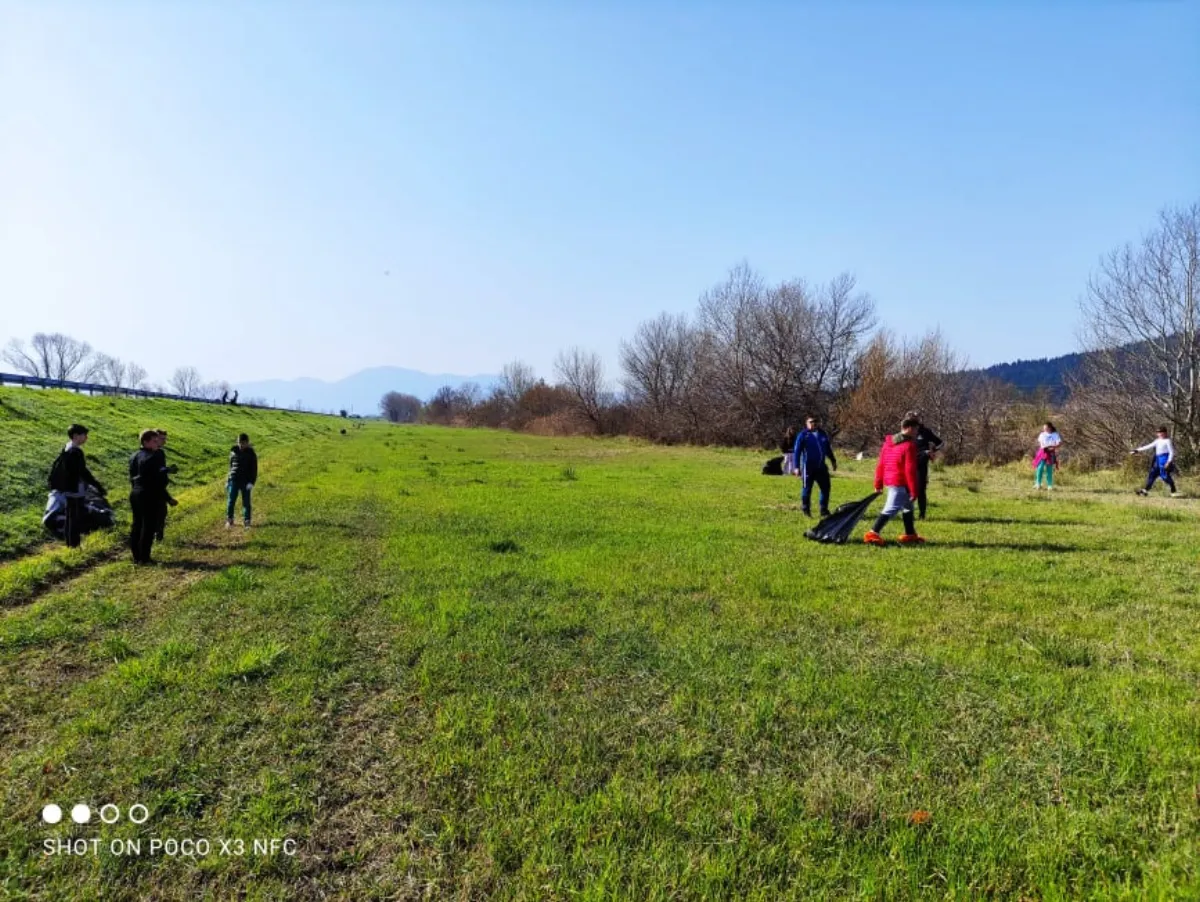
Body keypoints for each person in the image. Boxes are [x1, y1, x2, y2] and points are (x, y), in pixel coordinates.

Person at [864, 416, 925, 545]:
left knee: (907, 507)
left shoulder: (888, 443)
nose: (917, 432)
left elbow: (881, 464)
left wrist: (878, 483)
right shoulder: (909, 446)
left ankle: (910, 535)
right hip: (899, 482)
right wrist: (914, 491)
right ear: (908, 428)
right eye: (915, 429)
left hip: (890, 480)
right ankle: (872, 533)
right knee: (891, 508)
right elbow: (910, 470)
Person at [51, 424, 108, 548]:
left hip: (68, 488)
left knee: (71, 516)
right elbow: (83, 472)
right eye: (84, 435)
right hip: (75, 489)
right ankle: (74, 545)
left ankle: (70, 543)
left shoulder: (67, 447)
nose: (86, 438)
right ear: (76, 436)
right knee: (75, 517)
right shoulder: (75, 451)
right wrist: (97, 486)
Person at [128, 430, 169, 564]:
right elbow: (158, 480)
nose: (158, 444)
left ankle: (136, 556)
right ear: (145, 442)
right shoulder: (153, 457)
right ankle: (145, 557)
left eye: (158, 441)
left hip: (135, 492)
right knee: (148, 526)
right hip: (149, 493)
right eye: (155, 441)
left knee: (137, 524)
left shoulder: (134, 456)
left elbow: (133, 476)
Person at [793, 415, 837, 518]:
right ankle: (806, 509)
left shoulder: (822, 434)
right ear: (807, 423)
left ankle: (823, 509)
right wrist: (796, 467)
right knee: (807, 489)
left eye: (816, 421)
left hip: (821, 467)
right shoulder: (803, 435)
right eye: (811, 422)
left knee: (826, 488)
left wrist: (833, 461)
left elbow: (827, 449)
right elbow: (797, 451)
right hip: (808, 467)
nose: (814, 423)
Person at [907, 410, 944, 519]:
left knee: (920, 489)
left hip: (921, 464)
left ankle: (922, 515)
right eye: (910, 418)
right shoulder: (905, 432)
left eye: (915, 417)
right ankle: (908, 513)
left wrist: (932, 451)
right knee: (908, 489)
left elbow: (940, 443)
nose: (913, 419)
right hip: (908, 464)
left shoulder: (925, 432)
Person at [1132, 426, 1179, 497]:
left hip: (1164, 459)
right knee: (1152, 474)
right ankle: (1145, 491)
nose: (1160, 434)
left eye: (1162, 432)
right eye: (1158, 433)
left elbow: (1171, 452)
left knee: (1164, 476)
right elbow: (1148, 446)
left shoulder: (1167, 441)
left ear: (1165, 433)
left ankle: (1173, 489)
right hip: (1157, 459)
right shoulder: (1157, 441)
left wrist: (1168, 462)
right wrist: (1137, 450)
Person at [152, 430, 180, 541]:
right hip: (153, 489)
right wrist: (167, 469)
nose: (165, 442)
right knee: (156, 513)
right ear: (155, 438)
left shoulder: (160, 453)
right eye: (162, 439)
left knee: (162, 513)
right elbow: (156, 470)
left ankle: (159, 537)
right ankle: (154, 536)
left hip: (161, 488)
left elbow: (161, 469)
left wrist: (167, 470)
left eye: (165, 439)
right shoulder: (150, 454)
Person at [226, 433, 258, 528]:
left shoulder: (251, 453)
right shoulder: (233, 451)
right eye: (240, 442)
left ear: (247, 443)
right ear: (237, 442)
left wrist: (251, 482)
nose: (241, 445)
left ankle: (247, 520)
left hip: (245, 481)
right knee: (231, 501)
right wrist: (228, 480)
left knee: (246, 502)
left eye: (243, 443)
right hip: (234, 480)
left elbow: (254, 470)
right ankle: (230, 520)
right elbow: (231, 467)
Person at [1033, 422, 1063, 490]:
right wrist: (1045, 447)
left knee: (1049, 469)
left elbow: (1059, 443)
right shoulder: (1042, 434)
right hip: (1043, 452)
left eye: (1045, 427)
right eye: (1044, 428)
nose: (1044, 429)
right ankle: (1038, 483)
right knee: (1040, 468)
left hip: (1051, 452)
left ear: (1049, 428)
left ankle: (1049, 485)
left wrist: (1054, 447)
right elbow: (1041, 443)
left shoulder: (1055, 434)